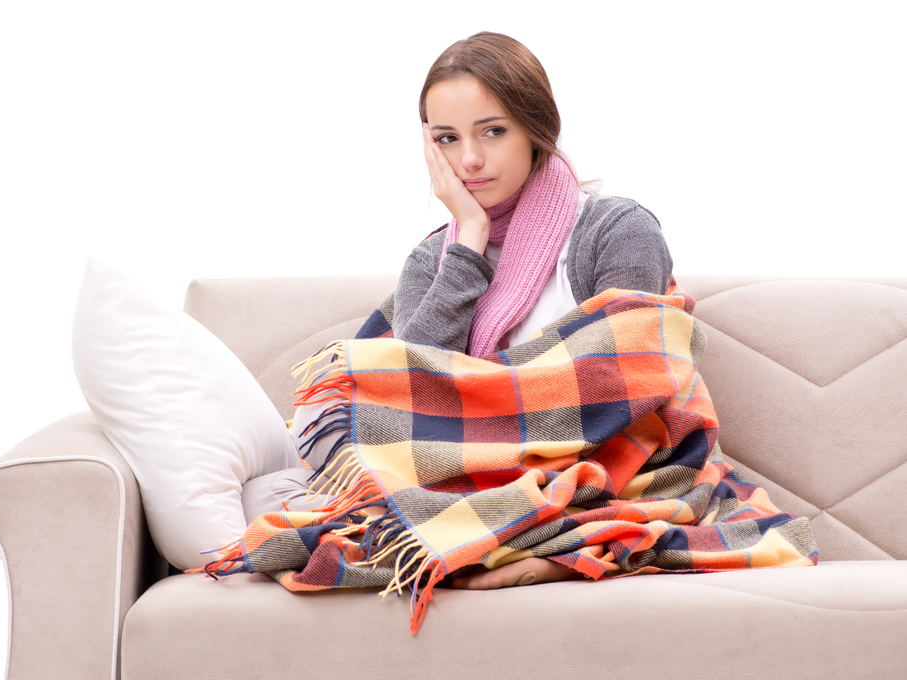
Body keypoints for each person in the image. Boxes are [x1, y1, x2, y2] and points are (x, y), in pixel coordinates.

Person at [239, 31, 672, 590]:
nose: (469, 159)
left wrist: (504, 427)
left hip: (583, 466)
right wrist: (468, 239)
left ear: (537, 128)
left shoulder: (615, 231)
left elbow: (628, 388)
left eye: (492, 131)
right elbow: (405, 397)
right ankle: (513, 543)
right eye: (447, 138)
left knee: (621, 482)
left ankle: (535, 546)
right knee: (265, 500)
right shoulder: (434, 258)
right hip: (454, 475)